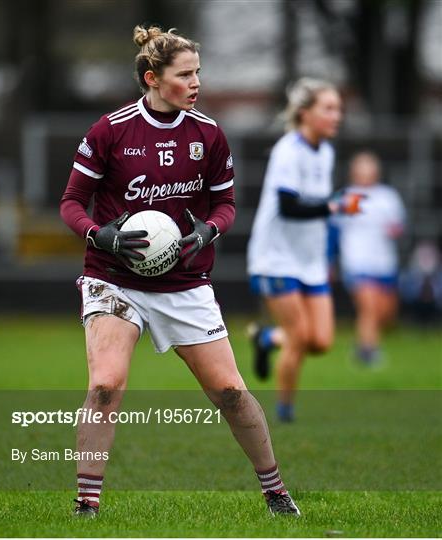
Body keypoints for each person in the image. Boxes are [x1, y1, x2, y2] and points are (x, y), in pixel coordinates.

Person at [60, 25, 300, 517]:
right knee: (106, 384)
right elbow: (71, 203)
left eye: (198, 73)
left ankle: (276, 491)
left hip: (185, 282)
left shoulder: (208, 133)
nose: (196, 83)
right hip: (114, 276)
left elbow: (226, 203)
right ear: (152, 77)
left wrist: (208, 231)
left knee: (231, 392)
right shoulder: (111, 130)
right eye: (185, 74)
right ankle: (86, 503)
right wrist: (97, 234)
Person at [246, 78, 363, 422]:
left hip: (309, 260)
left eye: (338, 108)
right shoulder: (288, 150)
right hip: (277, 258)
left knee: (321, 341)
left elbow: (318, 208)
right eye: (328, 108)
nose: (336, 115)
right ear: (304, 113)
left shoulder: (324, 151)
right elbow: (289, 207)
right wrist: (336, 207)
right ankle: (284, 413)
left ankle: (266, 338)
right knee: (299, 337)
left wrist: (327, 252)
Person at [333, 151, 406, 364]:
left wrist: (394, 230)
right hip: (357, 261)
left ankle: (362, 345)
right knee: (369, 307)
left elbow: (398, 226)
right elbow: (332, 231)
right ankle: (369, 354)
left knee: (385, 312)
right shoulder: (345, 196)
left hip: (383, 261)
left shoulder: (388, 197)